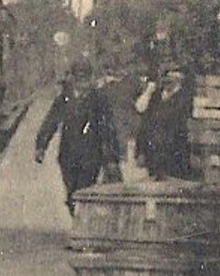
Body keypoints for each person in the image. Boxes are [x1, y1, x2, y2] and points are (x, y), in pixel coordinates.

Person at [35, 59, 122, 212]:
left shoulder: (99, 99)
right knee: (71, 193)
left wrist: (111, 157)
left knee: (84, 191)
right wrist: (41, 146)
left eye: (86, 78)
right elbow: (51, 121)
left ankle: (81, 221)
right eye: (79, 78)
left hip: (91, 155)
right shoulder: (64, 99)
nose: (83, 83)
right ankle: (75, 214)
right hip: (68, 155)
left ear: (91, 78)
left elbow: (108, 128)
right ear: (73, 79)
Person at [135, 68, 193, 180]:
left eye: (171, 80)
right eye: (165, 80)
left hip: (174, 153)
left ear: (179, 80)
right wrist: (148, 91)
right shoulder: (155, 97)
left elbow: (180, 127)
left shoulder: (184, 98)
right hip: (153, 153)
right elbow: (141, 112)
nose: (166, 84)